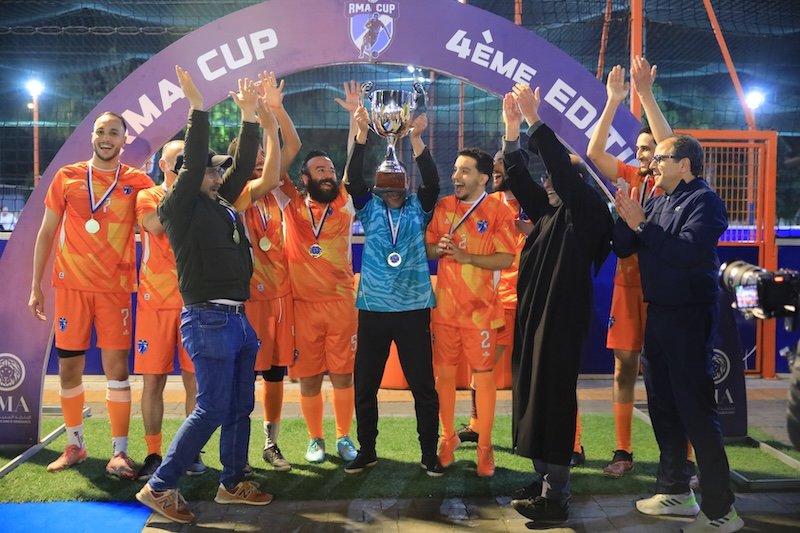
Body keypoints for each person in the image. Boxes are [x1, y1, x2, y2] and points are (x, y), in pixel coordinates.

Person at [135, 66, 272, 523]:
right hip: (208, 318)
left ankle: (232, 482)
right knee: (212, 406)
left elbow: (242, 163)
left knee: (238, 405)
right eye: (210, 169)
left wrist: (249, 116)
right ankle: (160, 486)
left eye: (216, 169)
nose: (217, 174)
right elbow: (193, 163)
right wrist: (198, 109)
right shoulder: (178, 206)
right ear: (183, 175)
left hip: (236, 318)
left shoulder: (219, 202)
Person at [614, 134, 743, 532]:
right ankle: (674, 490)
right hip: (659, 315)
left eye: (661, 158)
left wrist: (641, 224)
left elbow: (685, 253)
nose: (652, 164)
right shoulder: (657, 200)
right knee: (663, 406)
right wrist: (625, 214)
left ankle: (721, 511)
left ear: (684, 164)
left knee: (697, 411)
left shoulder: (706, 202)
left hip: (690, 317)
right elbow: (623, 247)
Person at [502, 84, 613, 524]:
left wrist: (536, 119)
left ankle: (557, 496)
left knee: (553, 402)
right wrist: (512, 130)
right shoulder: (550, 214)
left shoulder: (588, 214)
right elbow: (518, 178)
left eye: (553, 178)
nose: (546, 183)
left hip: (561, 322)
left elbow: (563, 174)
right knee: (532, 397)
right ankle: (543, 479)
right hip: (534, 320)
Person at [28, 111, 154, 479]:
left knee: (117, 370)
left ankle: (119, 452)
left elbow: (155, 228)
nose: (106, 138)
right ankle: (75, 445)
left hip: (115, 290)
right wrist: (36, 285)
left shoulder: (138, 182)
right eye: (101, 131)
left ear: (124, 140)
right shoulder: (67, 176)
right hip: (71, 287)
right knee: (69, 367)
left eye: (114, 132)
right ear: (92, 136)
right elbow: (47, 232)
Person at [343, 105, 443, 476]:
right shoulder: (369, 209)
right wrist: (361, 137)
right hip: (373, 310)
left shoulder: (419, 208)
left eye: (399, 184)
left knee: (423, 387)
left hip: (414, 310)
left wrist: (416, 140)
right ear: (379, 188)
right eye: (388, 185)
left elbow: (432, 183)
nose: (395, 191)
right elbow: (353, 182)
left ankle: (428, 453)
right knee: (365, 386)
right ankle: (367, 450)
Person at [586, 57, 673, 478]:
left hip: (663, 288)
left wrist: (646, 95)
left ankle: (682, 457)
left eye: (648, 150)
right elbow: (593, 153)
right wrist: (612, 101)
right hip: (627, 285)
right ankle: (623, 451)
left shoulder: (670, 183)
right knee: (623, 366)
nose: (641, 155)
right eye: (637, 149)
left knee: (667, 371)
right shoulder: (629, 177)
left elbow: (669, 142)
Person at [425, 147, 516, 478]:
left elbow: (506, 258)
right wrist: (438, 249)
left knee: (484, 378)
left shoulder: (498, 211)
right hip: (445, 311)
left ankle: (485, 447)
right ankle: (447, 437)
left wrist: (468, 258)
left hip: (481, 313)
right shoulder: (444, 207)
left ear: (482, 178)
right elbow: (428, 247)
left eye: (464, 171)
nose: (456, 177)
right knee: (444, 377)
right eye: (455, 170)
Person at [282, 89, 360, 465]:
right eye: (319, 170)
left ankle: (344, 436)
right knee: (310, 377)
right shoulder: (291, 204)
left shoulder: (343, 202)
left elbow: (353, 160)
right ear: (305, 177)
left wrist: (355, 117)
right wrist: (275, 112)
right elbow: (276, 167)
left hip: (342, 303)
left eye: (329, 170)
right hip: (303, 307)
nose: (327, 176)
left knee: (343, 375)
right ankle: (316, 439)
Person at [230, 70, 299, 471]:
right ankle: (237, 447)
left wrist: (275, 110)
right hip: (248, 297)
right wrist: (260, 120)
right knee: (245, 373)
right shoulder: (235, 193)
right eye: (251, 153)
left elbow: (293, 146)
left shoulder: (278, 190)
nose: (259, 158)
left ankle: (271, 443)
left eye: (261, 152)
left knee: (275, 373)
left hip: (280, 295)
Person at [134, 139, 207, 480]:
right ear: (163, 165)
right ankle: (153, 453)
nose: (184, 166)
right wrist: (185, 189)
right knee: (154, 381)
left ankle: (191, 452)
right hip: (155, 304)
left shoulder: (204, 197)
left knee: (195, 380)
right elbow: (155, 225)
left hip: (194, 301)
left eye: (189, 160)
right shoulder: (148, 195)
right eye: (178, 161)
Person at [456, 150, 532, 444]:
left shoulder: (536, 202)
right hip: (496, 302)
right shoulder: (486, 205)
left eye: (503, 163)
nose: (496, 168)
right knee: (482, 366)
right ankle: (477, 426)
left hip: (531, 302)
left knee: (544, 373)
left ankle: (571, 442)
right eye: (494, 164)